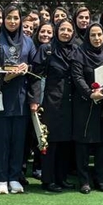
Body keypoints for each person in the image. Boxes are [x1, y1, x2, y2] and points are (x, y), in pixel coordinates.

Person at [0, 5, 37, 194]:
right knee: (1, 142)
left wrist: (27, 69)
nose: (12, 21)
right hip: (1, 99)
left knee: (18, 141)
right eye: (9, 18)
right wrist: (11, 74)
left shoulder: (29, 42)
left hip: (21, 100)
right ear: (3, 20)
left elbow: (35, 70)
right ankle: (1, 178)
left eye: (16, 18)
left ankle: (14, 177)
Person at [69, 23, 103, 192]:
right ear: (87, 37)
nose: (97, 38)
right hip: (85, 104)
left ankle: (101, 180)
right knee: (83, 144)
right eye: (93, 35)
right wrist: (89, 93)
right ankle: (84, 181)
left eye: (99, 35)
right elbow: (77, 77)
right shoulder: (79, 53)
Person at [31, 20, 77, 192]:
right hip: (50, 102)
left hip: (69, 102)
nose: (65, 32)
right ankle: (48, 179)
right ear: (57, 31)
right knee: (50, 143)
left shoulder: (75, 50)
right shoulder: (47, 49)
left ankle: (61, 178)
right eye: (62, 29)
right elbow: (35, 75)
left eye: (69, 30)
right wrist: (35, 99)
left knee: (65, 143)